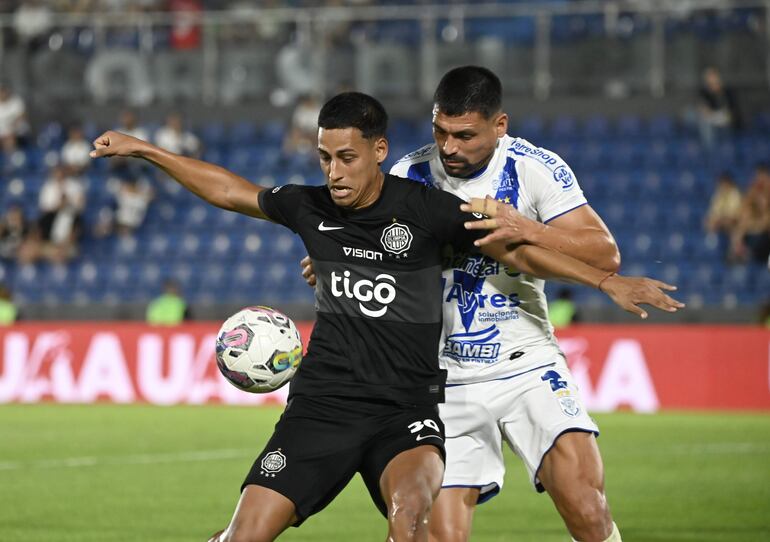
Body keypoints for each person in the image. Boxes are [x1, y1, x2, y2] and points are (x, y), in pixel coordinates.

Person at [90, 92, 681, 542]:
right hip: (323, 406)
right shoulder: (310, 207)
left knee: (409, 526)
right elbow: (230, 192)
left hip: (407, 412)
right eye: (324, 158)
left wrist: (605, 279)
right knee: (245, 535)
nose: (334, 172)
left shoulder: (426, 209)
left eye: (347, 157)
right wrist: (146, 150)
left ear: (379, 151)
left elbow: (513, 250)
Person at [301, 68, 643, 542]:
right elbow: (361, 244)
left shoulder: (532, 168)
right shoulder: (408, 176)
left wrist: (525, 225)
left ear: (499, 126)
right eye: (440, 132)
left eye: (465, 135)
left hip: (527, 362)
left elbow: (604, 252)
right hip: (443, 379)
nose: (449, 147)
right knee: (440, 535)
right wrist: (336, 261)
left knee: (587, 508)